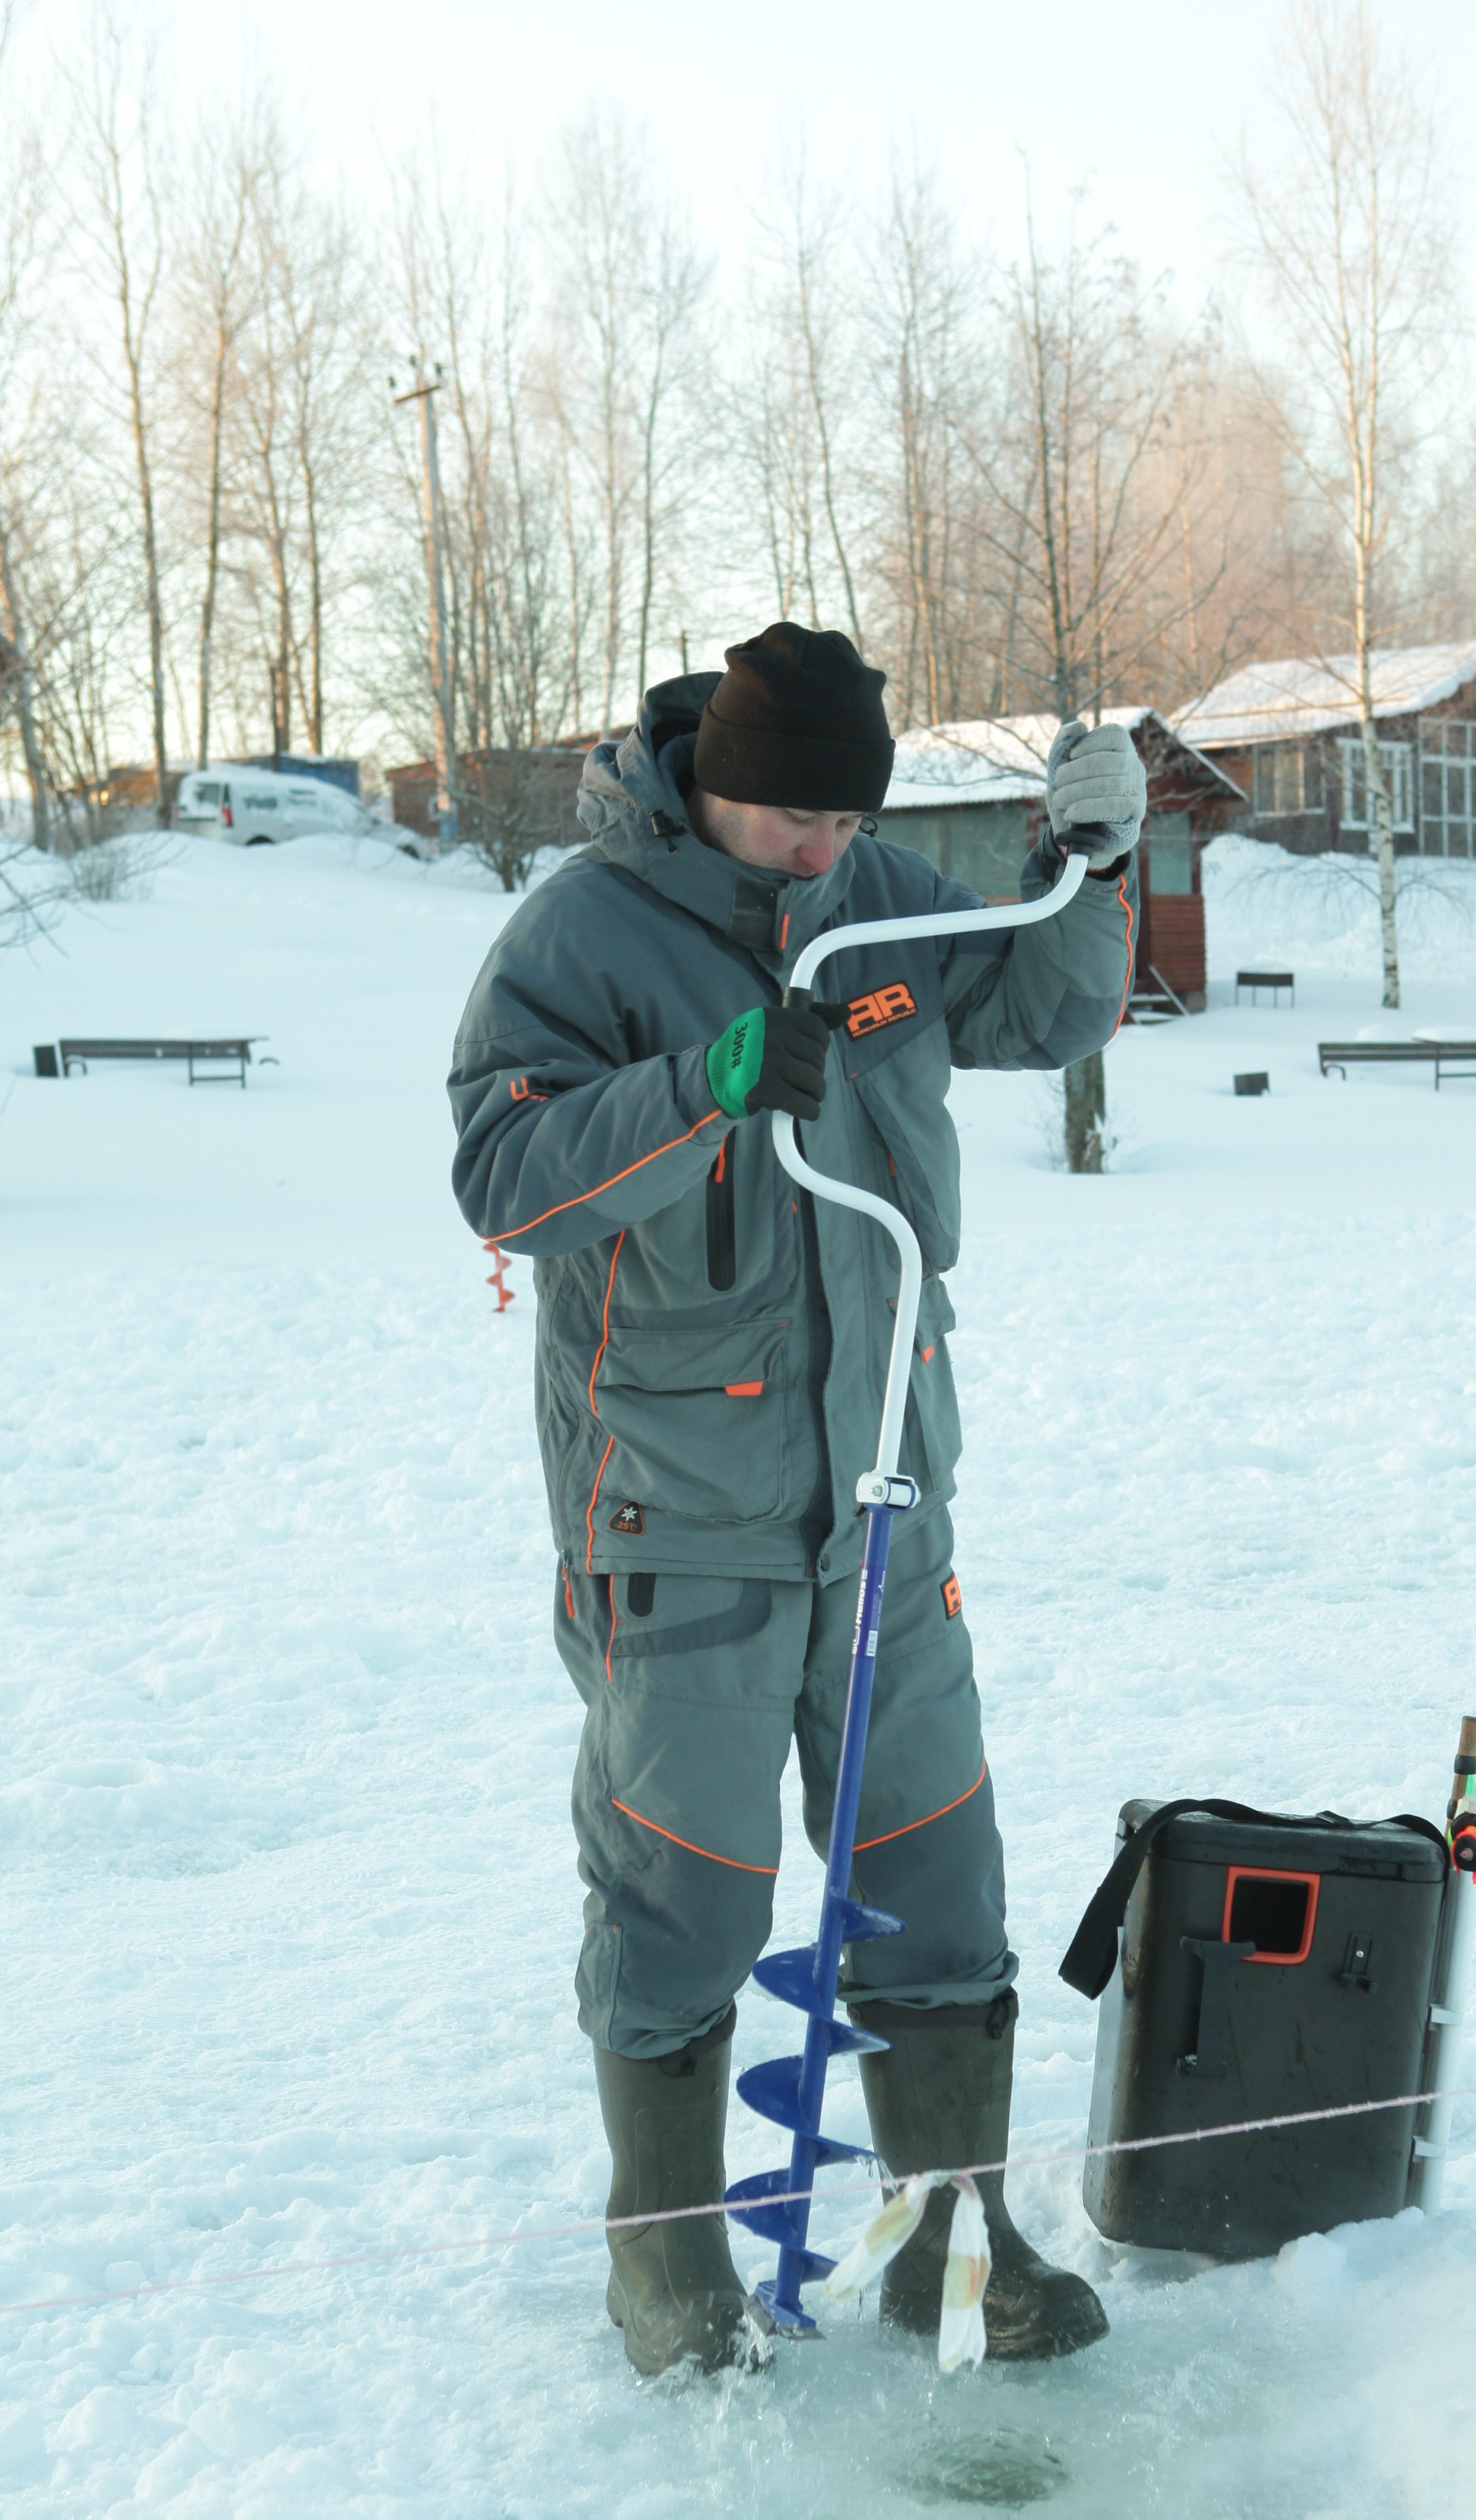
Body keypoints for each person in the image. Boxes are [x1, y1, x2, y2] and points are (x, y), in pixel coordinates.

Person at [449, 624, 1146, 2377]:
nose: (823, 855)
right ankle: (669, 2273)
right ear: (711, 783)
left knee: (936, 1872)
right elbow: (504, 1175)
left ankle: (949, 2250)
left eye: (848, 820)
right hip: (676, 1509)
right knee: (682, 1886)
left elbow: (1048, 1004)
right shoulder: (579, 933)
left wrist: (1095, 869)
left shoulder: (887, 895)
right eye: (789, 823)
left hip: (889, 1493)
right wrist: (706, 1085)